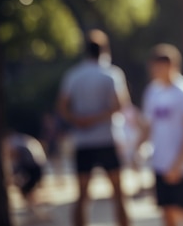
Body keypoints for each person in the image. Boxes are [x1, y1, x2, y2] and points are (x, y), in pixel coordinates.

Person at [56, 29, 130, 226]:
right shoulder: (111, 74)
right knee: (118, 194)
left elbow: (62, 108)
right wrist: (97, 118)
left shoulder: (73, 75)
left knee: (82, 196)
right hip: (107, 139)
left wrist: (80, 120)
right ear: (104, 50)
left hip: (83, 142)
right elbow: (120, 105)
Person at [139, 43, 183, 226]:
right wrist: (137, 149)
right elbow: (148, 126)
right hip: (160, 163)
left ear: (171, 65)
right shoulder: (152, 91)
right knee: (167, 213)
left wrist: (178, 165)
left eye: (158, 65)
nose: (154, 70)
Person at [3, 131, 51, 222]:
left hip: (33, 168)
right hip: (35, 167)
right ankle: (34, 212)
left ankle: (38, 213)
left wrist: (11, 175)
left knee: (27, 190)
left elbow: (16, 158)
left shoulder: (13, 142)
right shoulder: (17, 140)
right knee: (26, 190)